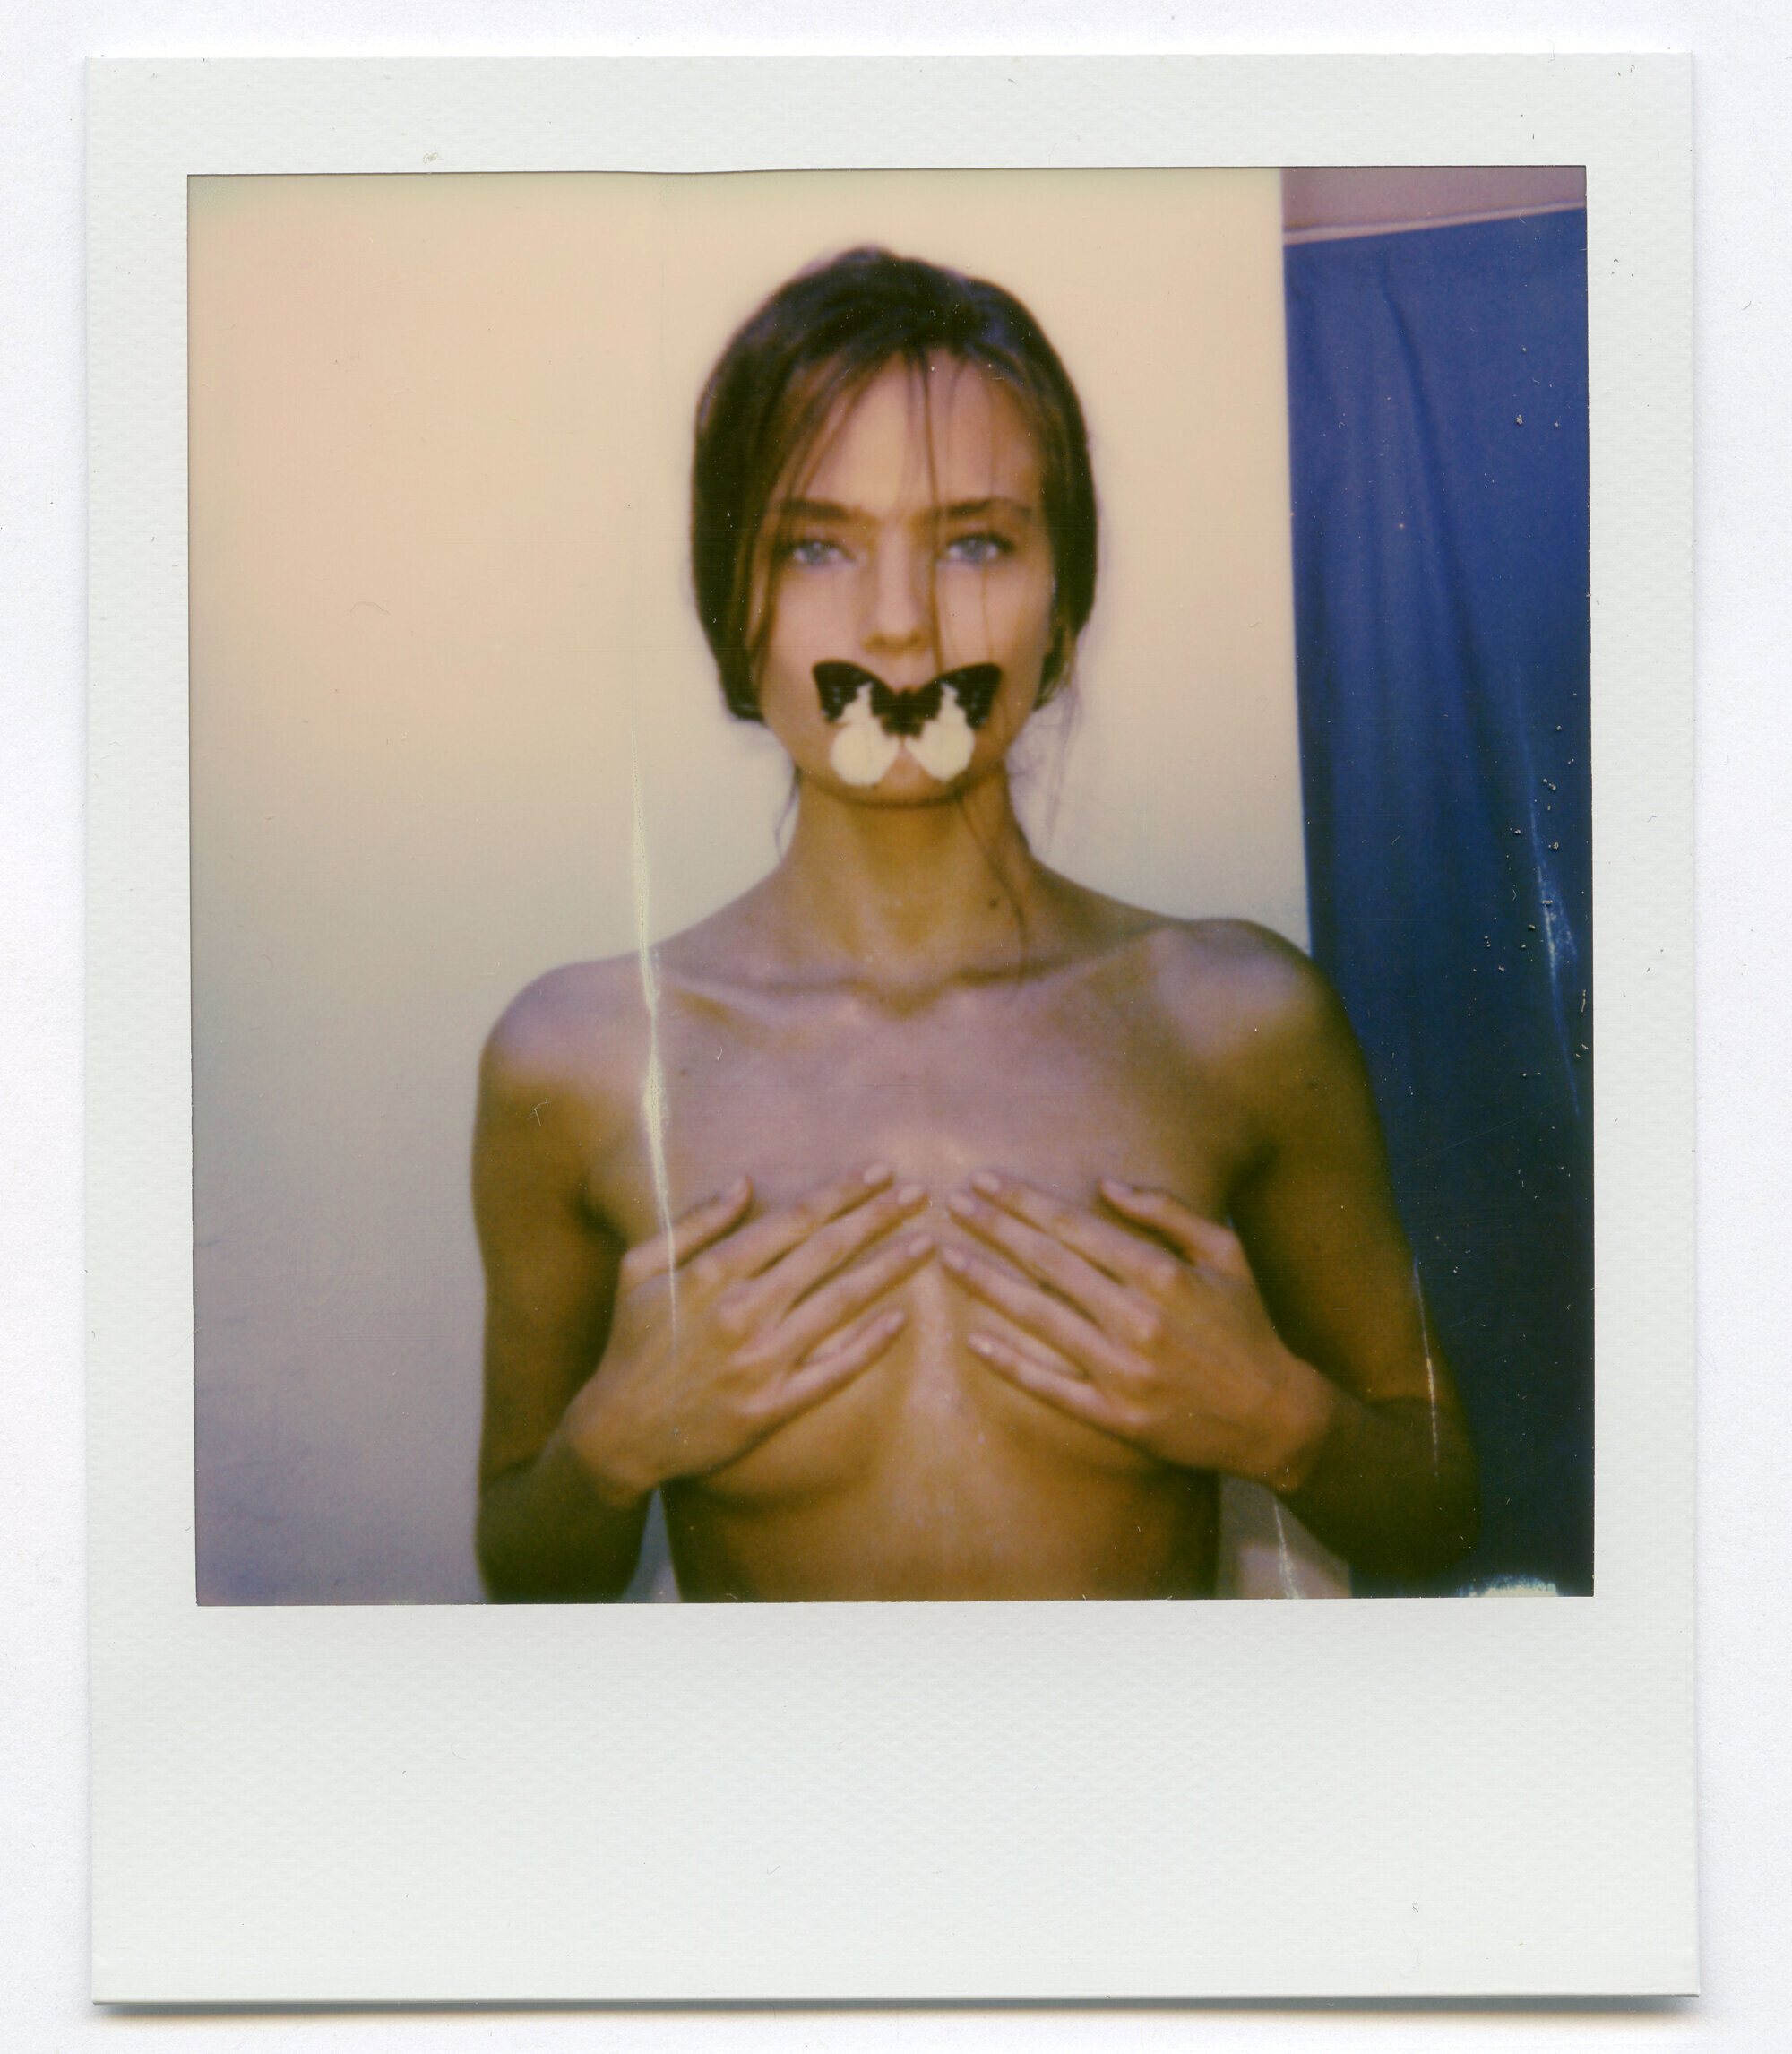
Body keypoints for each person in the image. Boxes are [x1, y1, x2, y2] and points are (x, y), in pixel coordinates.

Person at [472, 246, 1478, 1601]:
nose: (901, 627)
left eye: (975, 543)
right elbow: (528, 1573)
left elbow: (1439, 1512)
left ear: (1064, 608)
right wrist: (607, 1451)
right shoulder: (580, 1059)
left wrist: (1280, 1422)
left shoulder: (1238, 1020)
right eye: (815, 544)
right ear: (731, 605)